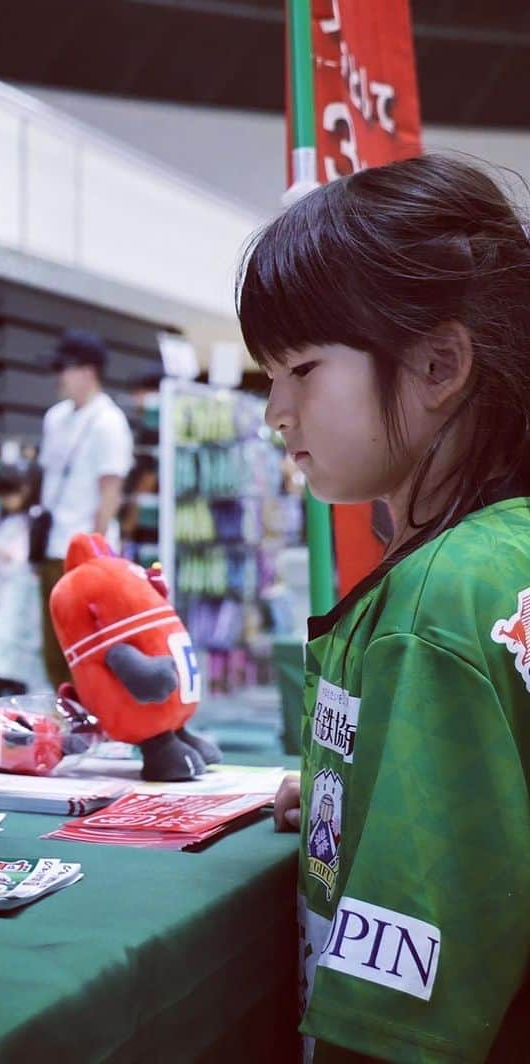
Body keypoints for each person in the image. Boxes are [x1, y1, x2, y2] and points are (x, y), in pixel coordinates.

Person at [238, 154, 529, 1062]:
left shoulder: (435, 605)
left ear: (439, 364)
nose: (274, 414)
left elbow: (404, 1014)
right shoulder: (501, 553)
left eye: (303, 370)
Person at [34, 329, 133, 686]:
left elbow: (110, 491)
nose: (58, 377)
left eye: (65, 368)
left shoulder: (109, 421)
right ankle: (65, 719)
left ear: (88, 372)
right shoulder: (55, 418)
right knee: (53, 642)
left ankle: (91, 724)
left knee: (85, 643)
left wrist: (95, 551)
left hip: (84, 553)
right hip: (52, 545)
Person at [0, 465, 45, 698]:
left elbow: (21, 557)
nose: (7, 500)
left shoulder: (32, 519)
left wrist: (0, 552)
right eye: (2, 495)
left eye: (11, 493)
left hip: (17, 600)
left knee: (15, 659)